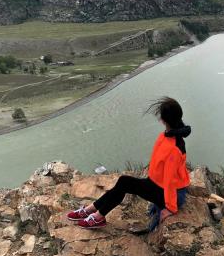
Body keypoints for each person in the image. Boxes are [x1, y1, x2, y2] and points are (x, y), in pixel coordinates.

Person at [67, 96, 191, 229]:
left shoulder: (173, 148)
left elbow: (170, 180)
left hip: (171, 193)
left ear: (163, 120)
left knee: (124, 183)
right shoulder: (167, 136)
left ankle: (97, 216)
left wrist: (171, 208)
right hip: (157, 184)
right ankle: (92, 210)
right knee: (123, 182)